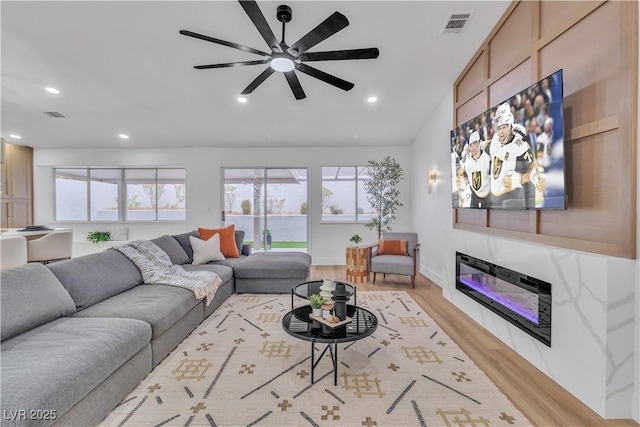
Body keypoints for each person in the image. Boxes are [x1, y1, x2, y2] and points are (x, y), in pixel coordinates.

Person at [486, 111, 545, 208]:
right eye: (499, 128)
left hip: (513, 195)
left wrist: (538, 179)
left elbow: (533, 166)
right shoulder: (495, 140)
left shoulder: (519, 144)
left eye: (504, 127)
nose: (501, 131)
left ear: (510, 128)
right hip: (495, 198)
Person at [457, 131, 491, 208]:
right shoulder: (468, 162)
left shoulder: (487, 159)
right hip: (474, 195)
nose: (473, 148)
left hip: (487, 196)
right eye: (471, 145)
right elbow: (465, 179)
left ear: (479, 143)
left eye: (475, 144)